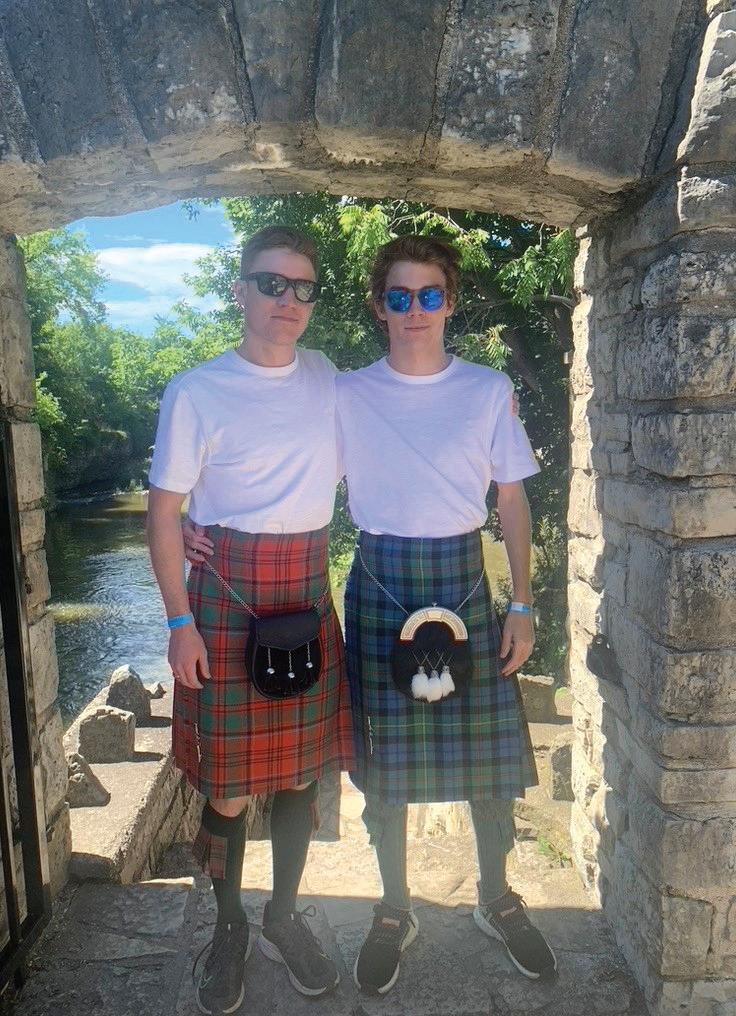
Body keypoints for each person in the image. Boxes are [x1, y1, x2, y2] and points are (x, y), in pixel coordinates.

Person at [336, 235, 557, 994]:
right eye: (399, 296)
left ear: (450, 302)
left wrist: (521, 602)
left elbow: (511, 499)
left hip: (463, 579)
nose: (415, 310)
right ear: (380, 306)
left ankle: (496, 897)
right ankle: (394, 909)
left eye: (429, 295)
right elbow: (282, 459)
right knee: (384, 765)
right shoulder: (345, 393)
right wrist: (200, 522)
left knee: (487, 765)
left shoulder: (487, 389)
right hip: (380, 578)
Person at [146, 225, 353, 1015]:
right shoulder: (196, 390)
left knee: (302, 775)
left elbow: (403, 408)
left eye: (303, 288)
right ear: (239, 291)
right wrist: (179, 623)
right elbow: (163, 514)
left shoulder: (328, 376)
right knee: (229, 787)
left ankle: (283, 917)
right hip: (226, 600)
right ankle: (229, 924)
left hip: (305, 591)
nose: (287, 300)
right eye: (272, 283)